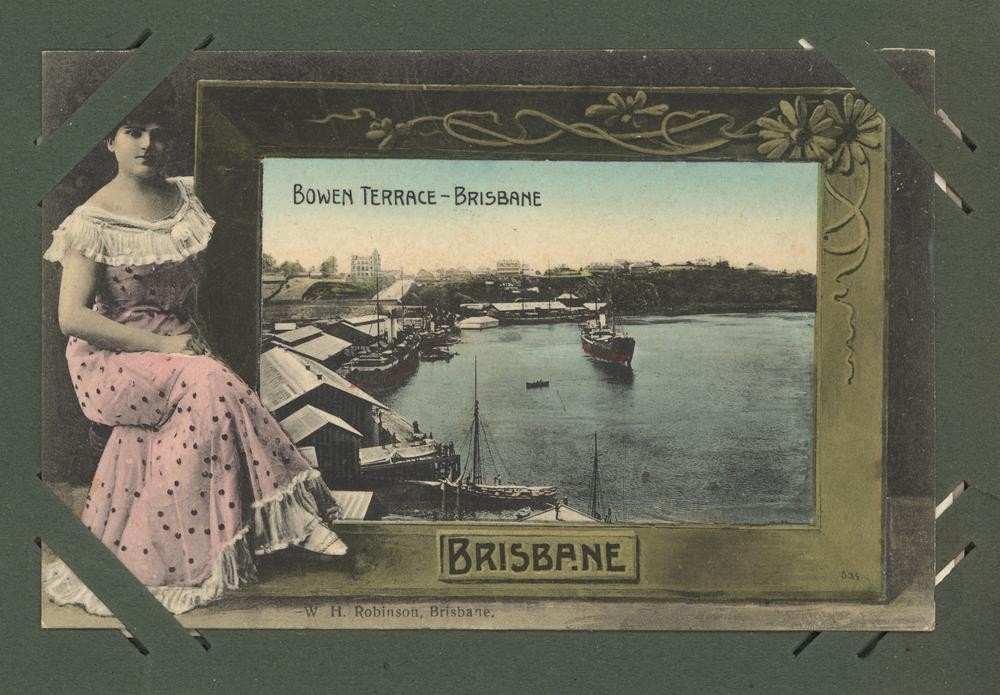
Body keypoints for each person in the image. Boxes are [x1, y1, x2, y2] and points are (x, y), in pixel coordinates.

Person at [43, 108, 347, 616]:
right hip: (114, 359)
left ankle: (177, 557)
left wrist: (187, 344)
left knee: (206, 393)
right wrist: (167, 349)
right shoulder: (89, 222)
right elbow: (72, 318)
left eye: (159, 135)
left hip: (181, 348)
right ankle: (297, 519)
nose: (147, 144)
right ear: (109, 143)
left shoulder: (187, 199)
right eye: (133, 133)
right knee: (207, 379)